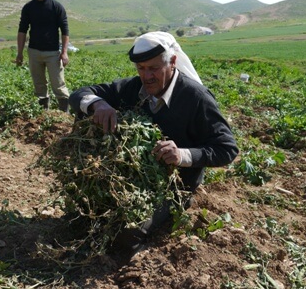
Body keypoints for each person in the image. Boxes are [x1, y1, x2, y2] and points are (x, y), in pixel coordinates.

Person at [69, 31, 238, 254]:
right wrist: (98, 104)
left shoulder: (195, 97)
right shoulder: (133, 88)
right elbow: (80, 94)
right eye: (141, 68)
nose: (146, 76)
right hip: (132, 176)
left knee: (126, 231)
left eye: (153, 69)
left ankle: (145, 260)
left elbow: (227, 148)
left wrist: (182, 155)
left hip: (174, 185)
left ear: (173, 62)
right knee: (83, 214)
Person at [15, 0, 70, 112]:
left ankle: (65, 115)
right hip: (34, 52)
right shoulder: (28, 8)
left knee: (58, 84)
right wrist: (20, 53)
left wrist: (64, 52)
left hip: (53, 53)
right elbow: (22, 30)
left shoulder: (56, 7)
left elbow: (65, 30)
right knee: (39, 85)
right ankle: (43, 114)